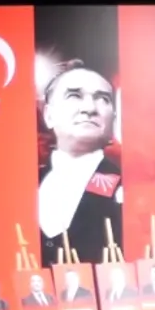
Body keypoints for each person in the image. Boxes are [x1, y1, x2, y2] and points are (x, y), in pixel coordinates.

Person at [38, 60, 121, 266]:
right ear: (48, 115)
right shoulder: (22, 187)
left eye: (102, 99)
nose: (89, 108)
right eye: (74, 95)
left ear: (113, 118)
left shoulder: (129, 187)